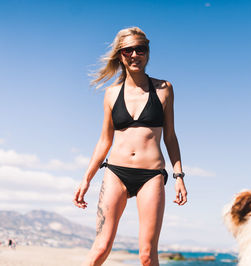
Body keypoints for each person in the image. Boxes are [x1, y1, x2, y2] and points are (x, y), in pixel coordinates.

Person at [73, 27, 187, 266]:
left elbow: (170, 136)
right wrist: (87, 178)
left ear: (147, 52)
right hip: (116, 172)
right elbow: (104, 140)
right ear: (120, 55)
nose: (135, 54)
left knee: (146, 256)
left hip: (151, 175)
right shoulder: (111, 94)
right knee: (101, 248)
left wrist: (178, 176)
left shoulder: (164, 89)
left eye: (140, 49)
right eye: (128, 50)